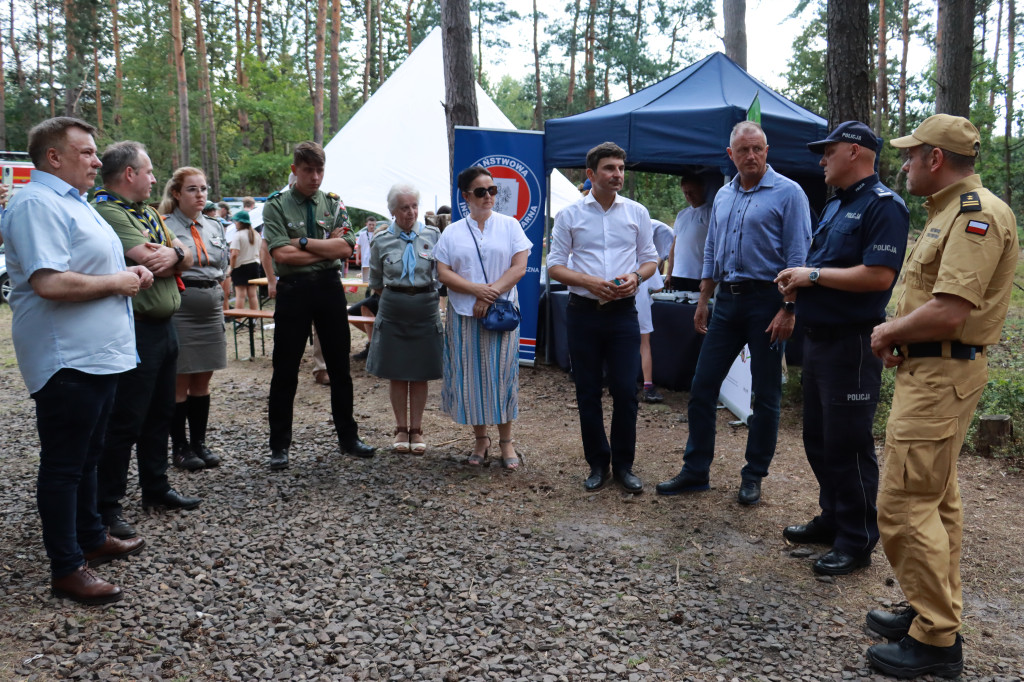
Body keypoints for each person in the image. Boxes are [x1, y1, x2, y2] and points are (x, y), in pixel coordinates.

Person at [864, 115, 1018, 679]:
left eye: (911, 155)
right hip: (930, 372)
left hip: (940, 380)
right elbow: (932, 302)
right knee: (937, 501)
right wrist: (905, 334)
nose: (903, 164)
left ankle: (935, 639)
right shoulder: (948, 212)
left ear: (935, 158)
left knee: (904, 505)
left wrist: (887, 333)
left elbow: (953, 311)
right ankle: (930, 607)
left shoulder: (975, 216)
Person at [0, 116, 148, 604]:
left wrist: (127, 273)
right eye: (85, 152)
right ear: (53, 157)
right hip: (68, 360)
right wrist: (119, 282)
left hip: (98, 356)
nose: (97, 160)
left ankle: (90, 537)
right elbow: (49, 282)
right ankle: (66, 566)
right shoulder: (35, 203)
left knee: (88, 456)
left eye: (95, 151)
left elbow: (88, 268)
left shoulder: (75, 203)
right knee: (64, 465)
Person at [774, 121, 909, 576]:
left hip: (853, 343)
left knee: (848, 444)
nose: (821, 160)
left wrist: (812, 276)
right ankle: (833, 517)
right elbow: (821, 266)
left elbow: (878, 275)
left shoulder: (884, 206)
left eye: (828, 152)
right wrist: (796, 291)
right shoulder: (835, 206)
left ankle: (856, 539)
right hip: (818, 341)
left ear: (854, 152)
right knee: (818, 439)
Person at [655, 121, 812, 506]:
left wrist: (788, 308)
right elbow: (712, 250)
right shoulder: (724, 196)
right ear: (731, 155)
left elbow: (798, 257)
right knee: (702, 387)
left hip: (768, 301)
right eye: (743, 150)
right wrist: (705, 299)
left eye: (757, 148)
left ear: (767, 150)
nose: (751, 156)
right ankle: (696, 470)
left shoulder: (788, 193)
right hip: (727, 301)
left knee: (766, 394)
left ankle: (753, 474)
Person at [94, 141, 201, 540]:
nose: (155, 178)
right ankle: (108, 506)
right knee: (126, 419)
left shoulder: (148, 212)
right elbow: (146, 256)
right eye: (150, 171)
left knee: (161, 413)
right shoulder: (108, 211)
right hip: (133, 329)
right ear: (129, 174)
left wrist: (175, 256)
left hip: (163, 327)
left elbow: (182, 254)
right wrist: (174, 255)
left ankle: (155, 488)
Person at [548, 143, 659, 491]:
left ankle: (624, 465)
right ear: (591, 174)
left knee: (627, 389)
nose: (618, 175)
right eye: (610, 168)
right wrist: (590, 282)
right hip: (583, 313)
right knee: (587, 391)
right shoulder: (570, 216)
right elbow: (554, 266)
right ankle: (598, 463)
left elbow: (650, 258)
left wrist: (637, 277)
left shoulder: (637, 213)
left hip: (624, 314)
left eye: (622, 168)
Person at [262, 141, 375, 471]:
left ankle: (348, 438)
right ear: (294, 170)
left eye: (320, 170)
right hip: (294, 290)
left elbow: (347, 248)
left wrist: (303, 243)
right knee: (285, 370)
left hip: (328, 289)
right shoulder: (276, 206)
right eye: (308, 170)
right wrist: (325, 248)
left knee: (340, 367)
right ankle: (279, 446)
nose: (315, 177)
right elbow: (280, 254)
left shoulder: (334, 203)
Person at [436, 166, 532, 470]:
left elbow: (519, 267)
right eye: (481, 191)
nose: (489, 196)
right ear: (466, 196)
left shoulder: (510, 225)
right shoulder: (452, 231)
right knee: (469, 377)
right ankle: (481, 439)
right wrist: (475, 290)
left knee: (502, 376)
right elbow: (443, 272)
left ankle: (506, 441)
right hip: (464, 314)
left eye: (493, 190)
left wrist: (488, 294)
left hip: (500, 313)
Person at [161, 167, 230, 472]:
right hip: (182, 308)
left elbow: (224, 267)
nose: (200, 194)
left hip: (211, 306)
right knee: (180, 381)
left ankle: (199, 443)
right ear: (176, 193)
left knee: (203, 380)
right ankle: (180, 447)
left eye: (203, 188)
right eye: (192, 189)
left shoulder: (215, 226)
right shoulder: (164, 226)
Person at [366, 184, 442, 454]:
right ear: (392, 211)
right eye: (404, 207)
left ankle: (417, 429)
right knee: (397, 373)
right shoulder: (381, 239)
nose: (410, 213)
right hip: (394, 307)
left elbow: (441, 274)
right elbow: (375, 281)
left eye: (414, 206)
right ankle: (400, 428)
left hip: (425, 307)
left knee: (420, 373)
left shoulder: (433, 235)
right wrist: (399, 297)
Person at [636, 218, 676, 403]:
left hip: (621, 308)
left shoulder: (621, 257)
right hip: (641, 307)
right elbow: (657, 287)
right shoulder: (646, 264)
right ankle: (648, 386)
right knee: (645, 345)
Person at [666, 174, 712, 293]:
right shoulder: (681, 215)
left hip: (699, 275)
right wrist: (669, 274)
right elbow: (674, 246)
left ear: (701, 189)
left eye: (692, 192)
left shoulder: (711, 213)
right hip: (679, 273)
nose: (688, 196)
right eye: (685, 193)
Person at [229, 210, 262, 310]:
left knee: (240, 295)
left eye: (236, 221)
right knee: (253, 294)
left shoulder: (238, 235)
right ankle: (254, 318)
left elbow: (234, 254)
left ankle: (239, 320)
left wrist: (232, 267)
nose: (235, 223)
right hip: (254, 266)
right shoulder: (256, 234)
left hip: (241, 267)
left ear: (240, 222)